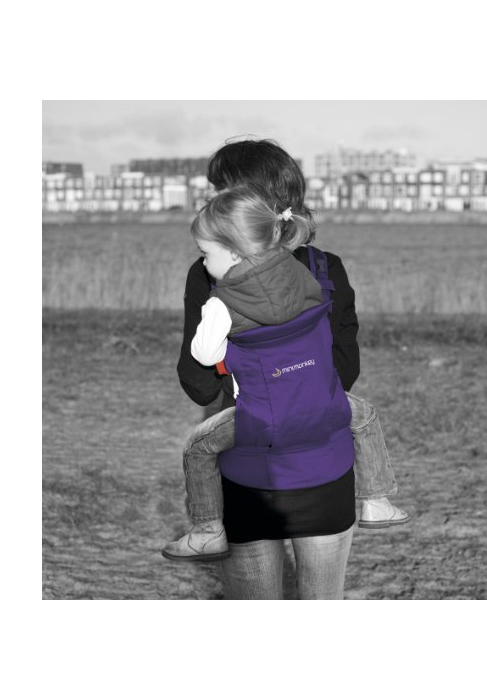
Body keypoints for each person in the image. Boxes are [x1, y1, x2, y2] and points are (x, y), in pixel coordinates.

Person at [168, 139, 407, 598]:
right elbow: (343, 372)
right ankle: (378, 500)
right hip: (325, 470)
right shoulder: (324, 268)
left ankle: (205, 529)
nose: (210, 202)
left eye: (218, 191)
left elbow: (200, 386)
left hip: (249, 474)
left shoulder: (212, 275)